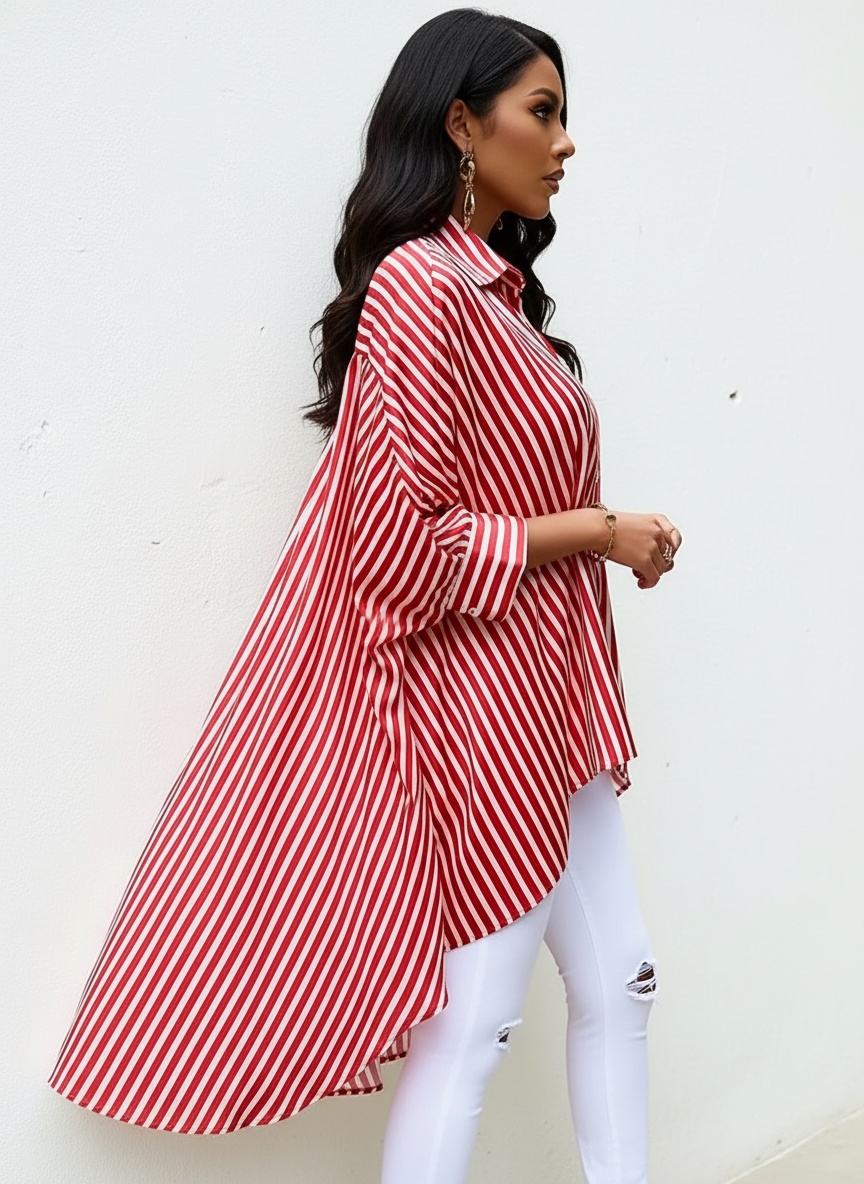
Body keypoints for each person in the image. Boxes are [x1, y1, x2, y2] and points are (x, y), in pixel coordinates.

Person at [49, 10, 681, 1184]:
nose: (565, 142)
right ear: (461, 124)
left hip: (558, 700)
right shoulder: (419, 287)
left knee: (622, 975)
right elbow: (402, 548)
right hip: (482, 712)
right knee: (476, 1020)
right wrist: (599, 530)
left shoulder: (496, 294)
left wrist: (600, 536)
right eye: (543, 112)